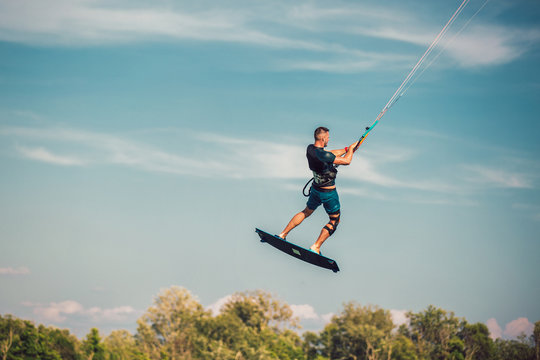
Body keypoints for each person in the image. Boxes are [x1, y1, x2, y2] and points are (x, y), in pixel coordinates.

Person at [278, 126, 359, 254]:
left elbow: (330, 154)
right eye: (327, 137)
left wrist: (346, 149)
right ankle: (316, 246)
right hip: (328, 194)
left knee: (306, 212)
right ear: (322, 138)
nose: (329, 139)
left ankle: (282, 234)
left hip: (316, 189)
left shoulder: (310, 149)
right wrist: (351, 151)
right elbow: (347, 161)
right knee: (335, 220)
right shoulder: (324, 155)